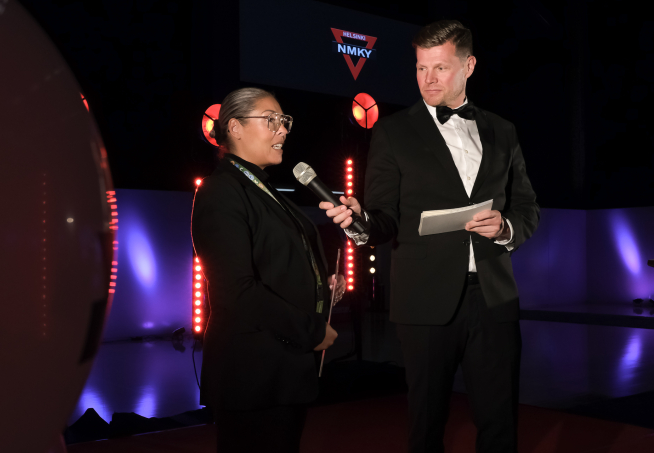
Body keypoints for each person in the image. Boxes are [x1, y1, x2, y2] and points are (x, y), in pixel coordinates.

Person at [320, 20, 540, 453]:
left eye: (440, 68)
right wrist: (361, 221)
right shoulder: (393, 131)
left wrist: (506, 228)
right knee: (426, 425)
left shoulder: (503, 130)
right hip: (423, 299)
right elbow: (383, 220)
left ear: (469, 66)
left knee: (500, 424)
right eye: (421, 68)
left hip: (494, 298)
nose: (428, 79)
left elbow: (527, 206)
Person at [192, 87, 343, 453]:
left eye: (284, 120)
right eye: (270, 120)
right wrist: (311, 331)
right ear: (235, 127)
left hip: (281, 369)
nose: (283, 129)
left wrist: (321, 285)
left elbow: (278, 263)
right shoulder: (220, 191)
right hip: (252, 373)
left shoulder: (263, 188)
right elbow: (236, 290)